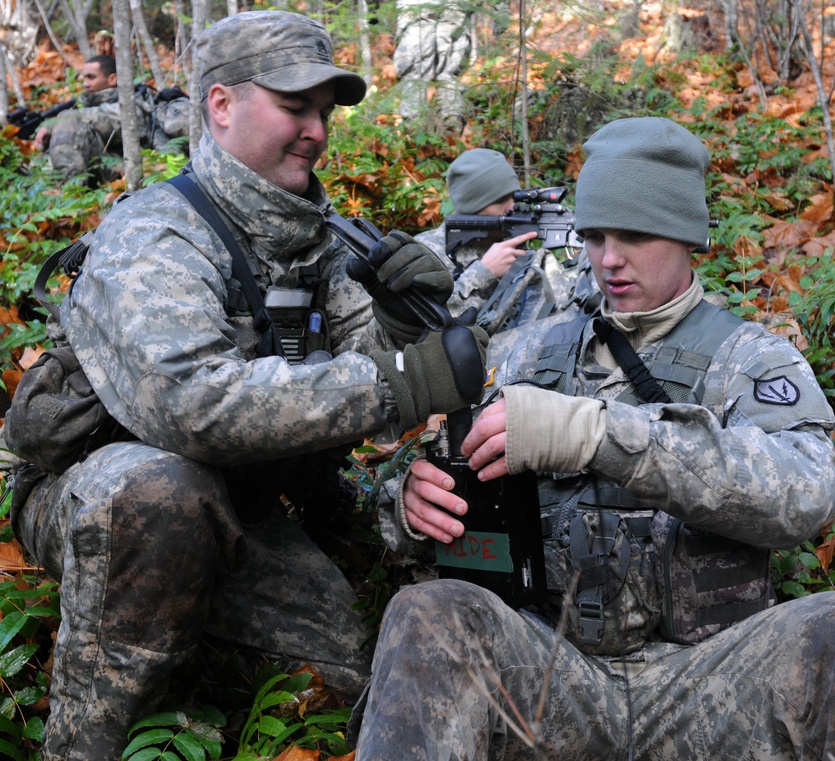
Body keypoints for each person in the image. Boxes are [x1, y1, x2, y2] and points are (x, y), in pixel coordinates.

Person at [349, 117, 835, 760]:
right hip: (551, 677)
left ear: (685, 235)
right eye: (594, 236)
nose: (609, 258)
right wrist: (410, 506)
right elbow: (423, 484)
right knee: (429, 614)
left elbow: (805, 492)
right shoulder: (523, 353)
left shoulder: (751, 360)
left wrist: (598, 435)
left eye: (635, 235)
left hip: (713, 682)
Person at [0, 10, 485, 760]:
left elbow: (375, 403)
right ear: (220, 105)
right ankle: (81, 740)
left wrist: (400, 328)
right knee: (156, 490)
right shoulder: (157, 234)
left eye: (324, 112)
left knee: (346, 674)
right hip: (99, 495)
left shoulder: (320, 242)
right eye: (295, 106)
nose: (317, 130)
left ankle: (189, 629)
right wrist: (400, 378)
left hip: (242, 502)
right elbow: (193, 404)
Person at [416, 147, 579, 333]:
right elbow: (417, 325)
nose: (513, 206)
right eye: (501, 199)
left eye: (514, 196)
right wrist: (483, 273)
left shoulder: (520, 246)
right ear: (474, 205)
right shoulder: (424, 253)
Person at [33, 53, 191, 185]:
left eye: (91, 77)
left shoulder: (132, 105)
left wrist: (54, 124)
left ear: (112, 79)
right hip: (110, 169)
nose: (85, 84)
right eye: (83, 79)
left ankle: (70, 195)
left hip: (140, 172)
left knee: (69, 121)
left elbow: (104, 118)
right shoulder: (85, 106)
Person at [393, 0, 471, 131]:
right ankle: (452, 127)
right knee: (449, 73)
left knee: (413, 71)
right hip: (454, 7)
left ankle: (414, 130)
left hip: (415, 9)